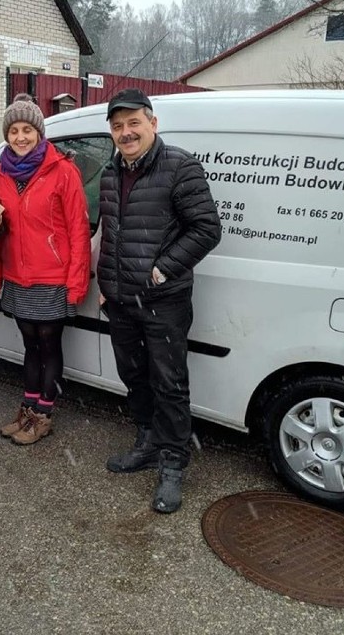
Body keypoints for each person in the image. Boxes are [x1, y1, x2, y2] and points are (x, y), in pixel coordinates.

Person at [98, 88, 221, 514]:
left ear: (153, 122)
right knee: (133, 374)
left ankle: (173, 462)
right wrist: (105, 281)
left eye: (134, 122)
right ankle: (147, 441)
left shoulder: (180, 166)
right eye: (118, 126)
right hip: (120, 299)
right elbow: (113, 234)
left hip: (163, 300)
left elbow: (206, 229)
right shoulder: (111, 172)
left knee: (169, 383)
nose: (126, 132)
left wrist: (163, 267)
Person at [0, 99, 90, 445]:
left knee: (49, 346)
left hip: (52, 276)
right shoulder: (1, 173)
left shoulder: (62, 170)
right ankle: (28, 408)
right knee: (29, 346)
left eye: (27, 130)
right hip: (18, 275)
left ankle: (44, 415)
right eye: (14, 131)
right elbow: (0, 226)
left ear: (39, 133)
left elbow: (78, 230)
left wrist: (76, 283)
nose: (20, 137)